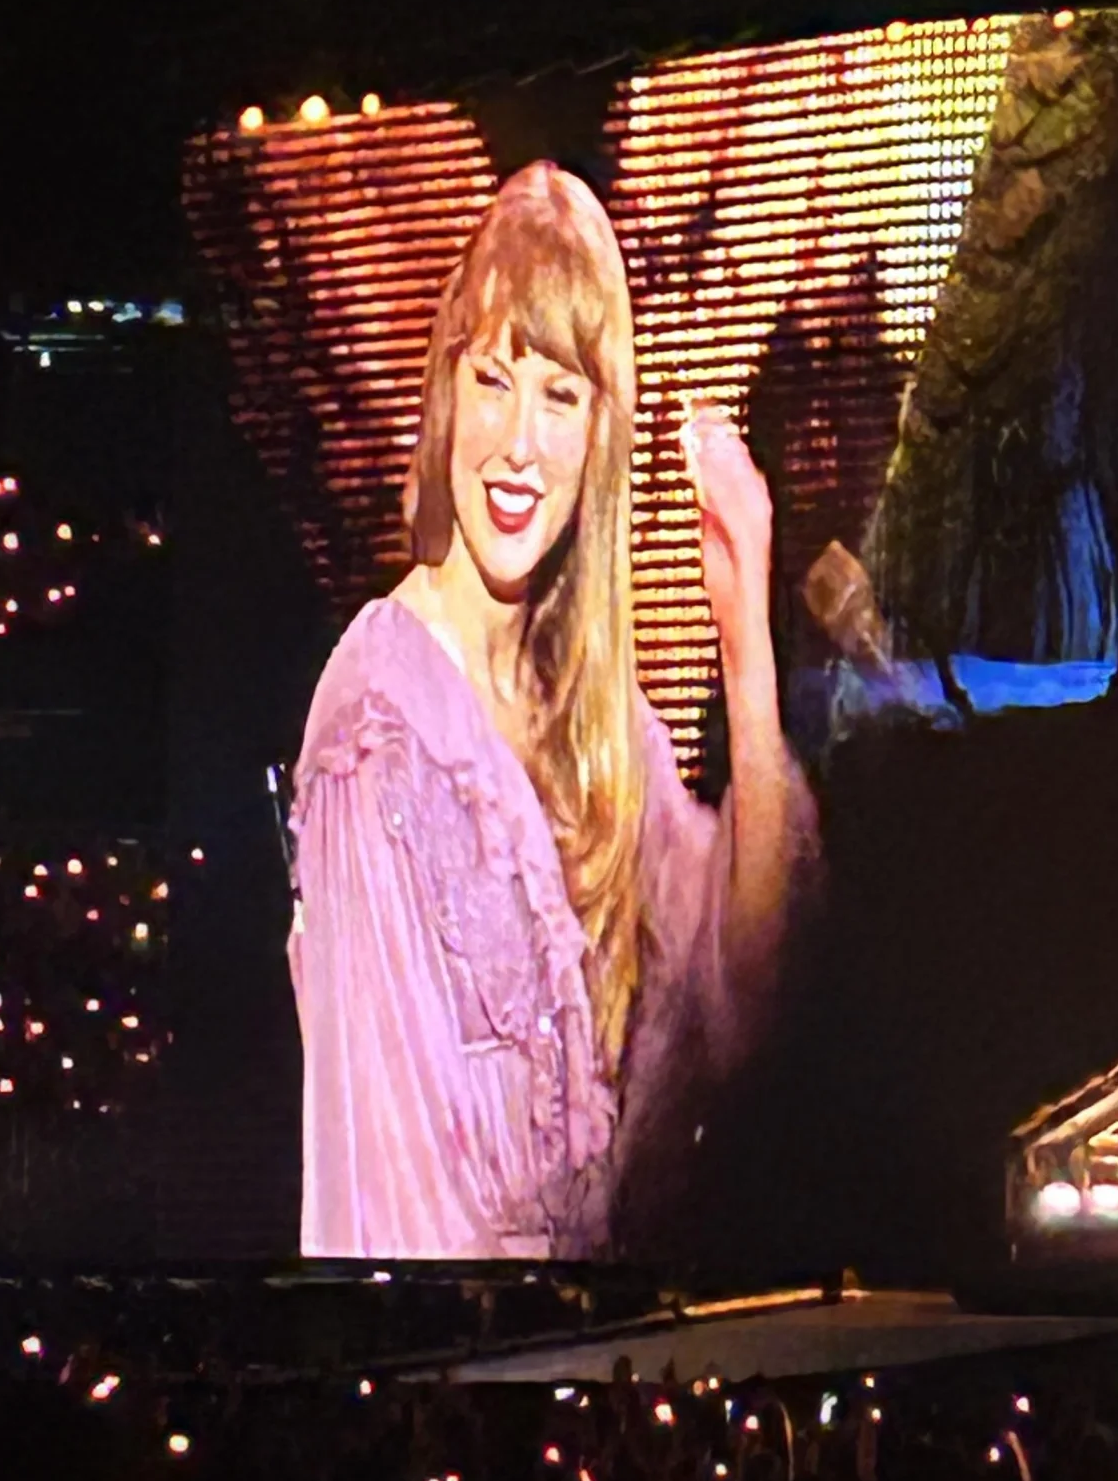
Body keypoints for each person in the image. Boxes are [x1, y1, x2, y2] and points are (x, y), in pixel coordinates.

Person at [289, 162, 815, 1258]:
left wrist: (746, 638)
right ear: (446, 394)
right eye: (494, 379)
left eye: (560, 395)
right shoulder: (375, 726)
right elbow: (388, 1193)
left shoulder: (593, 710)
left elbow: (742, 987)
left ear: (599, 435)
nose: (521, 443)